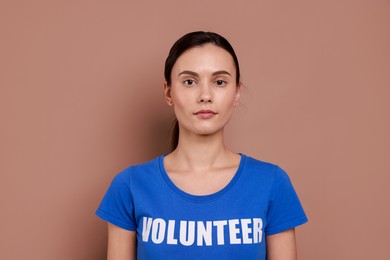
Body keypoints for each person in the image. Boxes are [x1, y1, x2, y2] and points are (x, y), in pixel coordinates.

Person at [96, 31, 308, 260]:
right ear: (168, 92)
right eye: (189, 81)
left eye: (219, 82)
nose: (205, 95)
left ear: (236, 92)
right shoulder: (129, 186)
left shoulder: (272, 183)